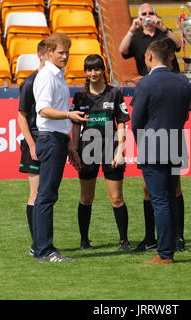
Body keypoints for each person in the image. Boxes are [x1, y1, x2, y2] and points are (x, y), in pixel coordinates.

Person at [131, 39, 191, 264]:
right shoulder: (182, 82)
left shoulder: (145, 84)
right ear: (170, 58)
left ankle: (165, 253)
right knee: (171, 197)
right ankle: (172, 245)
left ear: (148, 56)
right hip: (175, 144)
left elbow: (136, 122)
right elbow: (186, 116)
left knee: (160, 201)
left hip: (152, 147)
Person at [32, 33, 88, 262]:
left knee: (46, 195)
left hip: (56, 138)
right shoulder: (47, 76)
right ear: (48, 53)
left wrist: (69, 146)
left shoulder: (57, 76)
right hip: (50, 138)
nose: (65, 56)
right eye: (61, 52)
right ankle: (44, 250)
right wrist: (68, 114)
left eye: (67, 52)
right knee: (46, 195)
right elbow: (43, 110)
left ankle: (41, 247)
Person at [71, 54, 131, 251]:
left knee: (116, 198)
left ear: (103, 71)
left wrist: (120, 151)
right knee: (86, 198)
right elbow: (76, 126)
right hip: (87, 150)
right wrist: (74, 149)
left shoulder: (115, 93)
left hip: (111, 149)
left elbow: (121, 124)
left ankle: (123, 240)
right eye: (89, 69)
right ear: (85, 72)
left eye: (97, 69)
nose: (93, 73)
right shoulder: (80, 97)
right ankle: (84, 241)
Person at [17, 40, 48, 256]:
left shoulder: (55, 80)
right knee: (35, 194)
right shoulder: (30, 82)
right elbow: (21, 115)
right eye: (52, 53)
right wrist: (32, 144)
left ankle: (44, 242)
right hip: (35, 141)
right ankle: (36, 243)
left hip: (51, 141)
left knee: (47, 194)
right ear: (40, 55)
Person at [119, 2, 182, 76]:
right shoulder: (135, 38)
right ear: (139, 18)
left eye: (151, 13)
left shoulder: (165, 33)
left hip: (171, 75)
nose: (148, 16)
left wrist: (163, 28)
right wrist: (131, 30)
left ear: (156, 16)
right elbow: (122, 51)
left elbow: (178, 45)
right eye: (144, 14)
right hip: (149, 78)